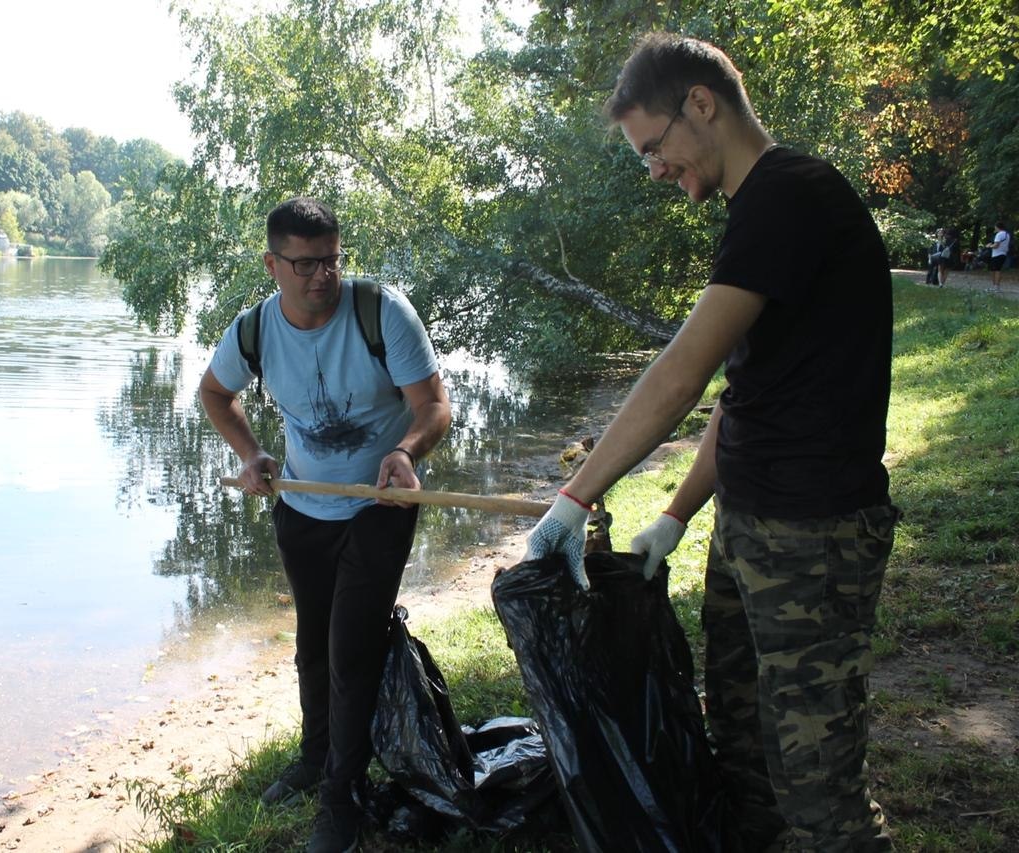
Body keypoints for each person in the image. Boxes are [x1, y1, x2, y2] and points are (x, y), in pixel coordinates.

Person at [523, 33, 898, 853]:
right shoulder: (757, 214)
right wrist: (680, 513)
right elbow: (744, 397)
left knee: (819, 785)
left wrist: (577, 494)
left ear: (702, 104)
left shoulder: (789, 195)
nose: (652, 170)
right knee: (743, 740)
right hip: (752, 523)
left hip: (814, 533)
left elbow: (683, 371)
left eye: (652, 147)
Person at [198, 197, 450, 853]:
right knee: (313, 641)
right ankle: (314, 758)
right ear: (272, 264)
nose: (322, 276)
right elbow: (213, 394)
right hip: (302, 509)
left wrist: (405, 452)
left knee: (351, 648)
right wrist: (251, 454)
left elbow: (434, 406)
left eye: (331, 260)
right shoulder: (254, 328)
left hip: (380, 505)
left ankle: (341, 797)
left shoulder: (380, 311)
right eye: (305, 264)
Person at [985, 221, 1010, 290]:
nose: (994, 229)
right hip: (1003, 254)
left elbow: (996, 245)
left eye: (995, 227)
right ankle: (996, 286)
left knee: (995, 270)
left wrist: (989, 246)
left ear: (997, 227)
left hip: (997, 254)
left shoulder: (999, 234)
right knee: (997, 270)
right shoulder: (1007, 234)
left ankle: (995, 286)